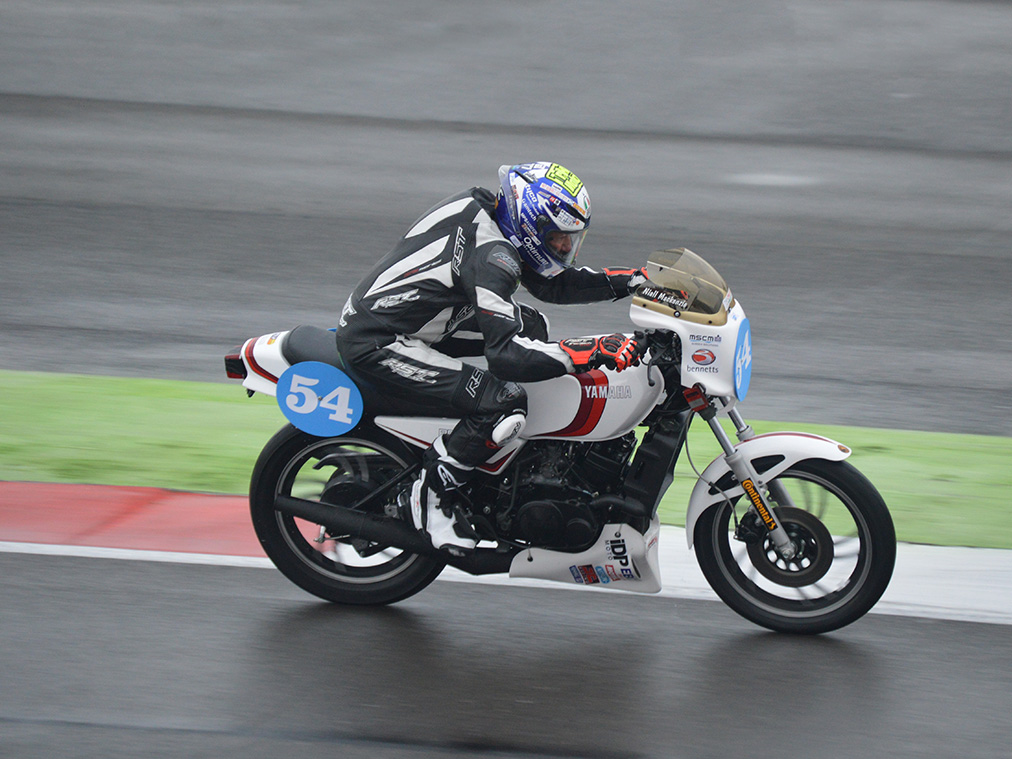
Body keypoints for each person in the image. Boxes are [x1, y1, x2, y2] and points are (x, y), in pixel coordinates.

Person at [335, 162, 649, 555]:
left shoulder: (493, 215)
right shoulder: (493, 257)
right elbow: (506, 356)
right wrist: (590, 350)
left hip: (424, 318)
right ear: (530, 224)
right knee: (502, 400)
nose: (565, 248)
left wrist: (635, 281)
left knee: (533, 326)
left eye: (571, 239)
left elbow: (552, 286)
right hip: (381, 340)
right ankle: (429, 496)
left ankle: (508, 456)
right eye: (557, 238)